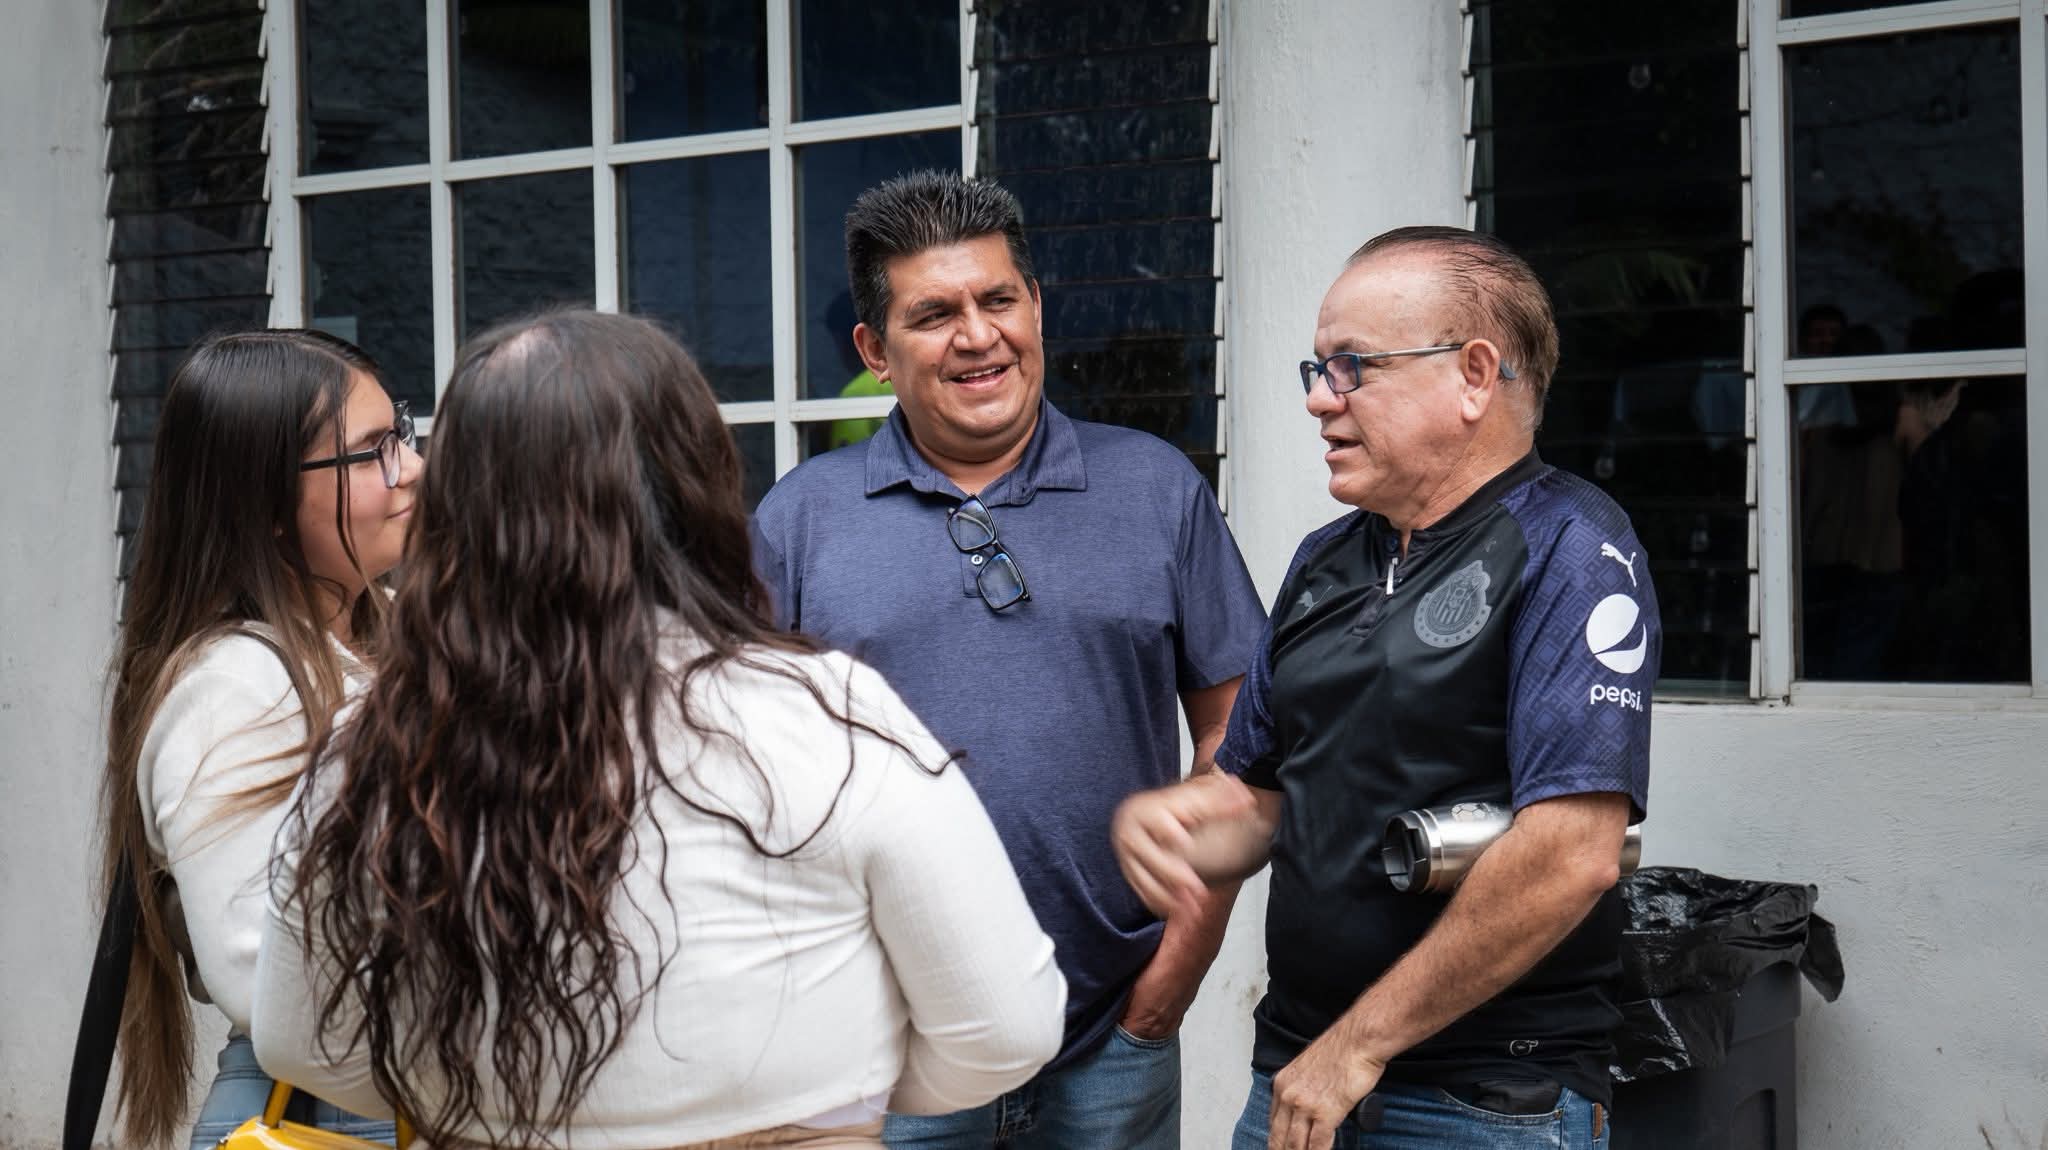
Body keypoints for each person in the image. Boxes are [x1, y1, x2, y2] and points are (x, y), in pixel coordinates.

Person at [250, 310, 1065, 1150]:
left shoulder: (369, 745)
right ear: (694, 485)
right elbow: (1008, 1028)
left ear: (459, 509)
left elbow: (299, 1038)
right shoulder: (828, 715)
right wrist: (822, 1072)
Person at [1114, 226, 1659, 1150]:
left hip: (1481, 1102)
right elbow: (1261, 794)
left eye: (1353, 366)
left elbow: (1574, 852)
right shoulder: (1326, 559)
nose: (1322, 401)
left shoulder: (1573, 546)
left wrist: (1356, 1047)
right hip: (1298, 1077)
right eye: (1317, 369)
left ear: (1475, 375)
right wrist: (1178, 821)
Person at [752, 170, 1266, 1149]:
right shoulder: (797, 522)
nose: (976, 334)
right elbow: (741, 774)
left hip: (1111, 1035)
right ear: (873, 351)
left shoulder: (1153, 490)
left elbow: (1237, 742)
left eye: (997, 299)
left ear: (1034, 305)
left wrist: (1173, 976)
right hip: (887, 1046)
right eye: (933, 313)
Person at [97, 329, 419, 1148]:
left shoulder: (374, 640)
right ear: (268, 508)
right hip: (331, 1116)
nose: (411, 468)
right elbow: (274, 991)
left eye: (403, 434)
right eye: (373, 452)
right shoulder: (232, 689)